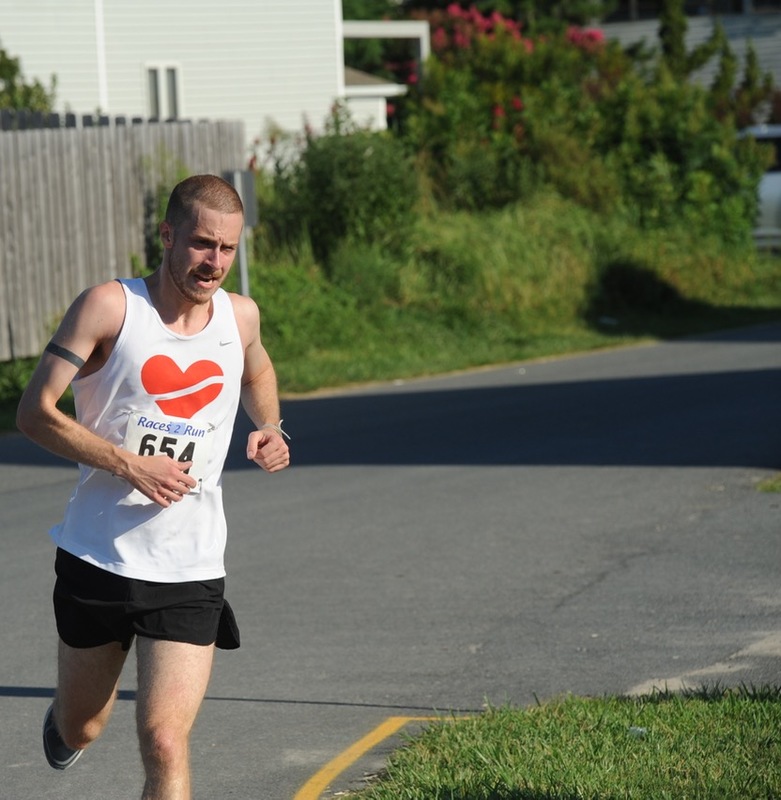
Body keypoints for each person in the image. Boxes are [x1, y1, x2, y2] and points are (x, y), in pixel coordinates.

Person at [16, 173, 290, 800]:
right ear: (167, 235)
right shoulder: (110, 307)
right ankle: (65, 725)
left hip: (190, 565)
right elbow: (34, 413)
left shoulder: (239, 315)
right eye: (200, 244)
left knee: (165, 739)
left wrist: (271, 425)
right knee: (83, 724)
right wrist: (128, 464)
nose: (213, 262)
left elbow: (258, 366)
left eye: (227, 249)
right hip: (98, 555)